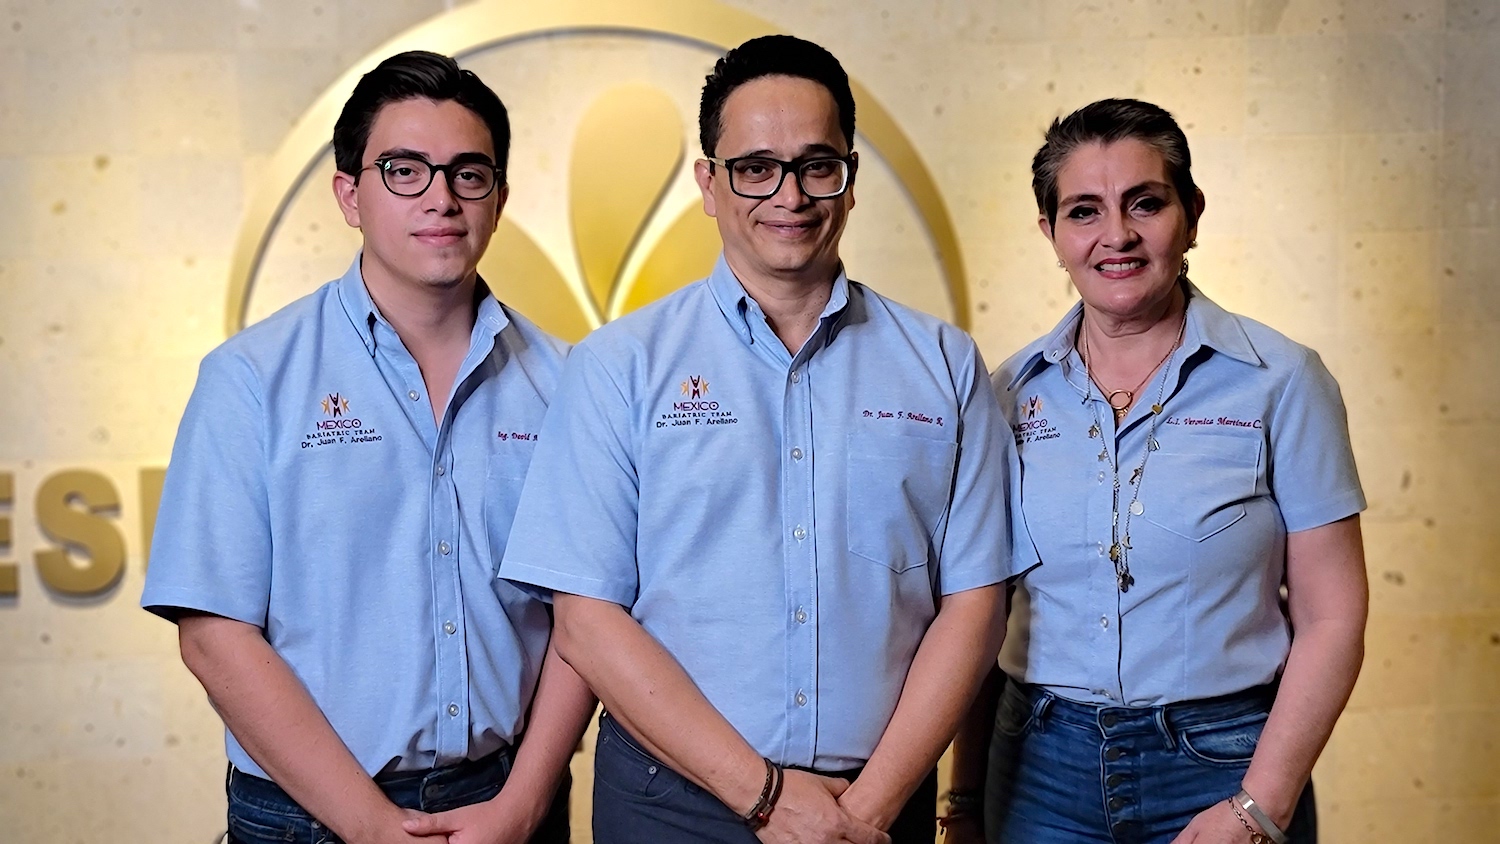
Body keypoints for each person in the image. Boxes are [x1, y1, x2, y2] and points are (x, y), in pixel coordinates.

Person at [497, 35, 1024, 844]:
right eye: (755, 167)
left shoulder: (944, 363)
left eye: (818, 164)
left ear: (850, 181)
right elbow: (586, 617)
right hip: (667, 805)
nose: (790, 194)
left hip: (878, 803)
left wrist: (869, 809)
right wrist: (769, 799)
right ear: (708, 183)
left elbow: (977, 602)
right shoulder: (618, 366)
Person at [140, 51, 595, 844]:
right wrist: (370, 824)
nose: (442, 199)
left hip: (508, 802)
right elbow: (214, 635)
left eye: (468, 173)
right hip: (304, 814)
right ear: (350, 195)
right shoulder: (252, 378)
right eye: (404, 171)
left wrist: (524, 803)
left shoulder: (570, 383)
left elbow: (585, 617)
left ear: (500, 197)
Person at [945, 99, 1368, 844]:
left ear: (1192, 213)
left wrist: (1260, 803)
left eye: (1146, 203)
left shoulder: (1283, 382)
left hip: (1226, 761)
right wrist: (966, 799)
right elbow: (983, 611)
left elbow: (1333, 618)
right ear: (1050, 234)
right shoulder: (1007, 394)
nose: (1118, 236)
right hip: (1039, 769)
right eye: (1084, 211)